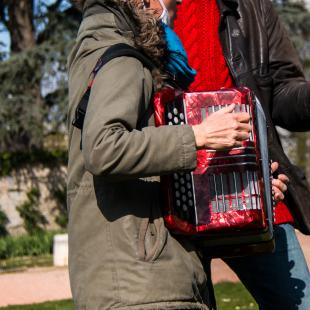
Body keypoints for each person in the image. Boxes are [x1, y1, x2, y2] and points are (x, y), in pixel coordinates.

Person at [67, 0, 289, 308]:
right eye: (172, 0)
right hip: (140, 280)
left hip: (148, 272)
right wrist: (199, 135)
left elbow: (157, 175)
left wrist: (250, 191)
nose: (177, 5)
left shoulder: (119, 52)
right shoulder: (123, 57)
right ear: (144, 2)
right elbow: (104, 148)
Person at [172, 1, 310, 309]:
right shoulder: (143, 7)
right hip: (170, 200)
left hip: (255, 192)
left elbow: (281, 95)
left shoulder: (253, 6)